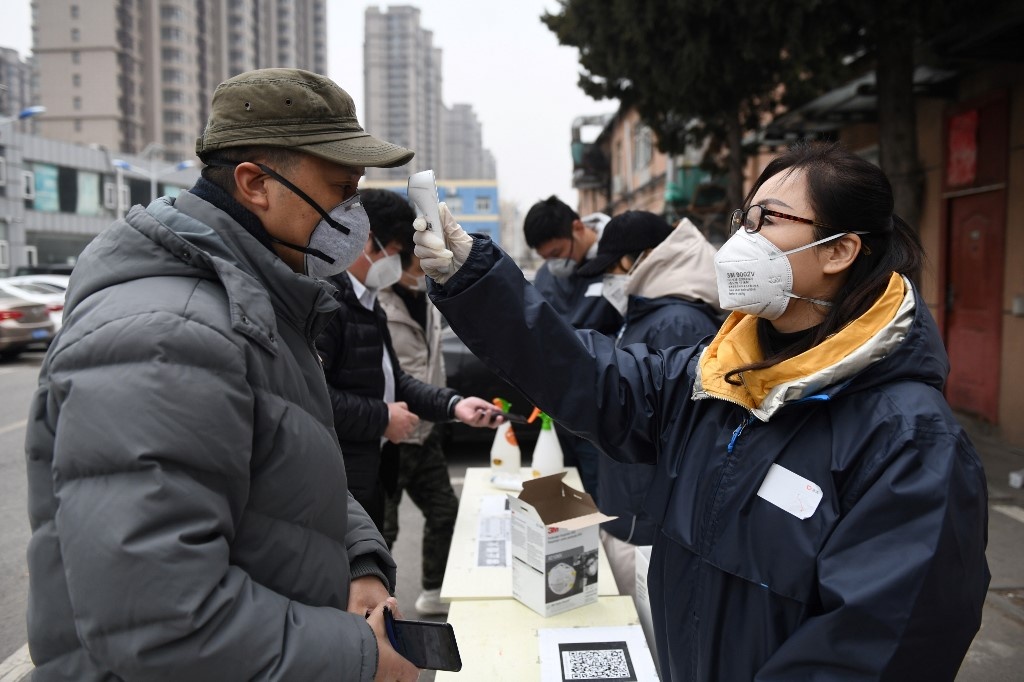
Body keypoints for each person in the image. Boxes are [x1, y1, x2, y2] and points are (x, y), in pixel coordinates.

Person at [413, 142, 990, 681]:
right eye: (745, 219)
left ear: (839, 250)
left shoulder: (910, 441)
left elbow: (874, 650)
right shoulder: (716, 376)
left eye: (769, 220)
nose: (744, 239)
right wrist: (475, 279)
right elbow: (588, 376)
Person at [23, 68, 421, 681]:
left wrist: (358, 559)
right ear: (255, 184)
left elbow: (284, 470)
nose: (353, 215)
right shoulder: (168, 337)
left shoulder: (258, 304)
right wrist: (361, 659)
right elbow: (159, 619)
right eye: (342, 190)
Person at [315, 189, 495, 533]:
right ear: (367, 240)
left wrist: (454, 405)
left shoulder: (368, 303)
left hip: (373, 465)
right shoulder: (325, 303)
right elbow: (311, 396)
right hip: (340, 478)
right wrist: (382, 416)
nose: (398, 265)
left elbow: (394, 380)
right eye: (396, 252)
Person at [575, 211, 723, 596]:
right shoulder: (653, 313)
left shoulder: (677, 322)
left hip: (646, 523)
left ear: (638, 258)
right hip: (629, 511)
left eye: (612, 268)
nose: (609, 279)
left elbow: (682, 432)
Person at [373, 191, 460, 616]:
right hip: (387, 437)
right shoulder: (373, 301)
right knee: (380, 534)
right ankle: (376, 613)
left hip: (425, 432)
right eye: (413, 259)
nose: (420, 265)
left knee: (445, 511)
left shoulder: (427, 296)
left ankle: (434, 590)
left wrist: (447, 406)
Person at [523, 196, 621, 498]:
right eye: (546, 258)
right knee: (562, 495)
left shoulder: (617, 260)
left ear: (577, 227)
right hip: (560, 410)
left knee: (599, 496)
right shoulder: (547, 274)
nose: (554, 263)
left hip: (603, 409)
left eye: (556, 253)